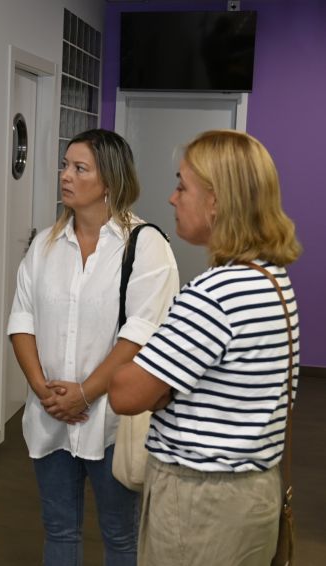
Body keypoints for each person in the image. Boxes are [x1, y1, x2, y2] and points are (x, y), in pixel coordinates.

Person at [109, 130, 302, 566]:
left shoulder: (216, 293)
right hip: (252, 490)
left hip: (201, 503)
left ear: (216, 202)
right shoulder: (271, 277)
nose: (173, 198)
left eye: (182, 186)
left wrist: (151, 372)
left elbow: (126, 394)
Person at [7, 129, 179, 565]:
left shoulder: (145, 246)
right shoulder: (45, 245)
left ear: (109, 181)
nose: (65, 175)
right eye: (65, 165)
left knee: (120, 536)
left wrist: (85, 392)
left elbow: (140, 336)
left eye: (79, 168)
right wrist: (43, 389)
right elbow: (21, 319)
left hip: (111, 422)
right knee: (59, 529)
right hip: (50, 417)